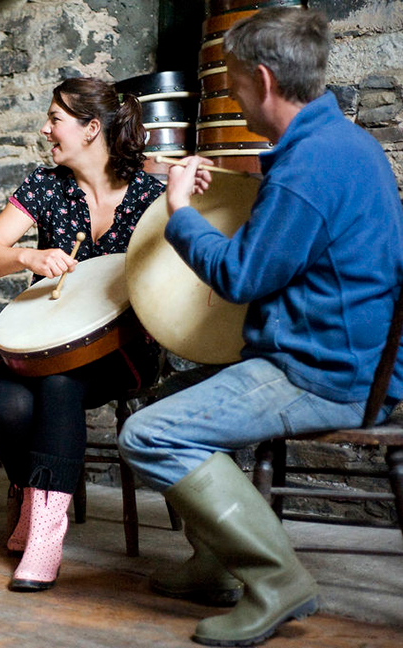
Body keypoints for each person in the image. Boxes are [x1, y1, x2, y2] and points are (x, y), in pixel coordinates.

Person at [118, 8, 403, 646]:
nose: (230, 93)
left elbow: (240, 277)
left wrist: (180, 210)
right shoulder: (340, 144)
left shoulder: (308, 169)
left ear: (263, 79)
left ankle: (277, 581)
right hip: (342, 353)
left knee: (149, 433)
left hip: (327, 372)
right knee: (167, 399)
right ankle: (216, 563)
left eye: (232, 81)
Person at [0, 77, 165, 591]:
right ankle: (33, 497)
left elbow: (180, 273)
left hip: (122, 348)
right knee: (11, 400)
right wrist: (25, 256)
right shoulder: (45, 185)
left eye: (55, 118)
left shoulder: (150, 194)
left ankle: (45, 539)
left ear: (91, 128)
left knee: (60, 385)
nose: (45, 127)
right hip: (43, 341)